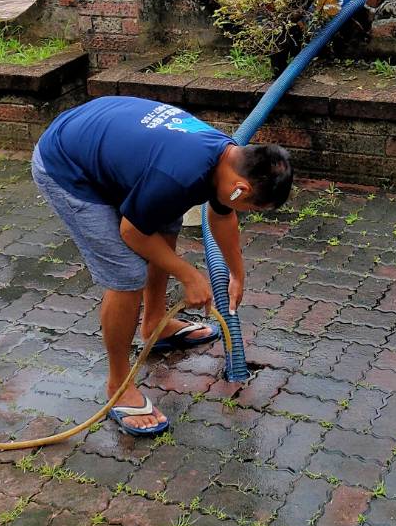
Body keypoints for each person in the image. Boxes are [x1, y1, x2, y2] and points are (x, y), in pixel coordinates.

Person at [31, 95, 293, 436]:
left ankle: (155, 323)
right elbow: (132, 233)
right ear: (240, 187)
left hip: (101, 139)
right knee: (126, 274)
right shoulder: (180, 174)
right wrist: (189, 274)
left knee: (165, 224)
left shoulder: (227, 160)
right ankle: (118, 384)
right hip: (66, 166)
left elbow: (223, 214)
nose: (247, 212)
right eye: (251, 207)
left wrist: (236, 274)